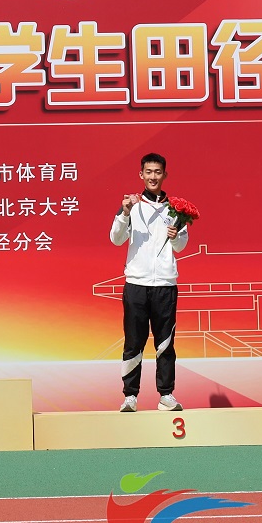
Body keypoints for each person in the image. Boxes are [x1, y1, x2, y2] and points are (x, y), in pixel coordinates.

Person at [109, 152, 188, 413]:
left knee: (165, 343)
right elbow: (116, 239)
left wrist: (176, 236)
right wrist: (124, 213)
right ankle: (130, 396)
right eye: (149, 172)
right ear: (141, 174)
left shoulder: (175, 208)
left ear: (165, 175)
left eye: (158, 172)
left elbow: (182, 245)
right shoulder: (131, 205)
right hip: (137, 284)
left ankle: (166, 395)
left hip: (165, 284)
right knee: (134, 342)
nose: (153, 176)